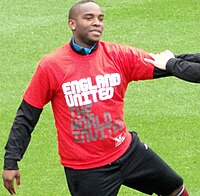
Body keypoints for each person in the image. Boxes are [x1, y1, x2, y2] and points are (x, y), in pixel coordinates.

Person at [2, 1, 190, 196]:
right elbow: (27, 116)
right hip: (87, 169)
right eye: (89, 18)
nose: (97, 23)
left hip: (127, 152)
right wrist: (11, 161)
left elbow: (167, 64)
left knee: (175, 188)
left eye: (100, 18)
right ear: (72, 24)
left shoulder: (118, 55)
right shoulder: (51, 66)